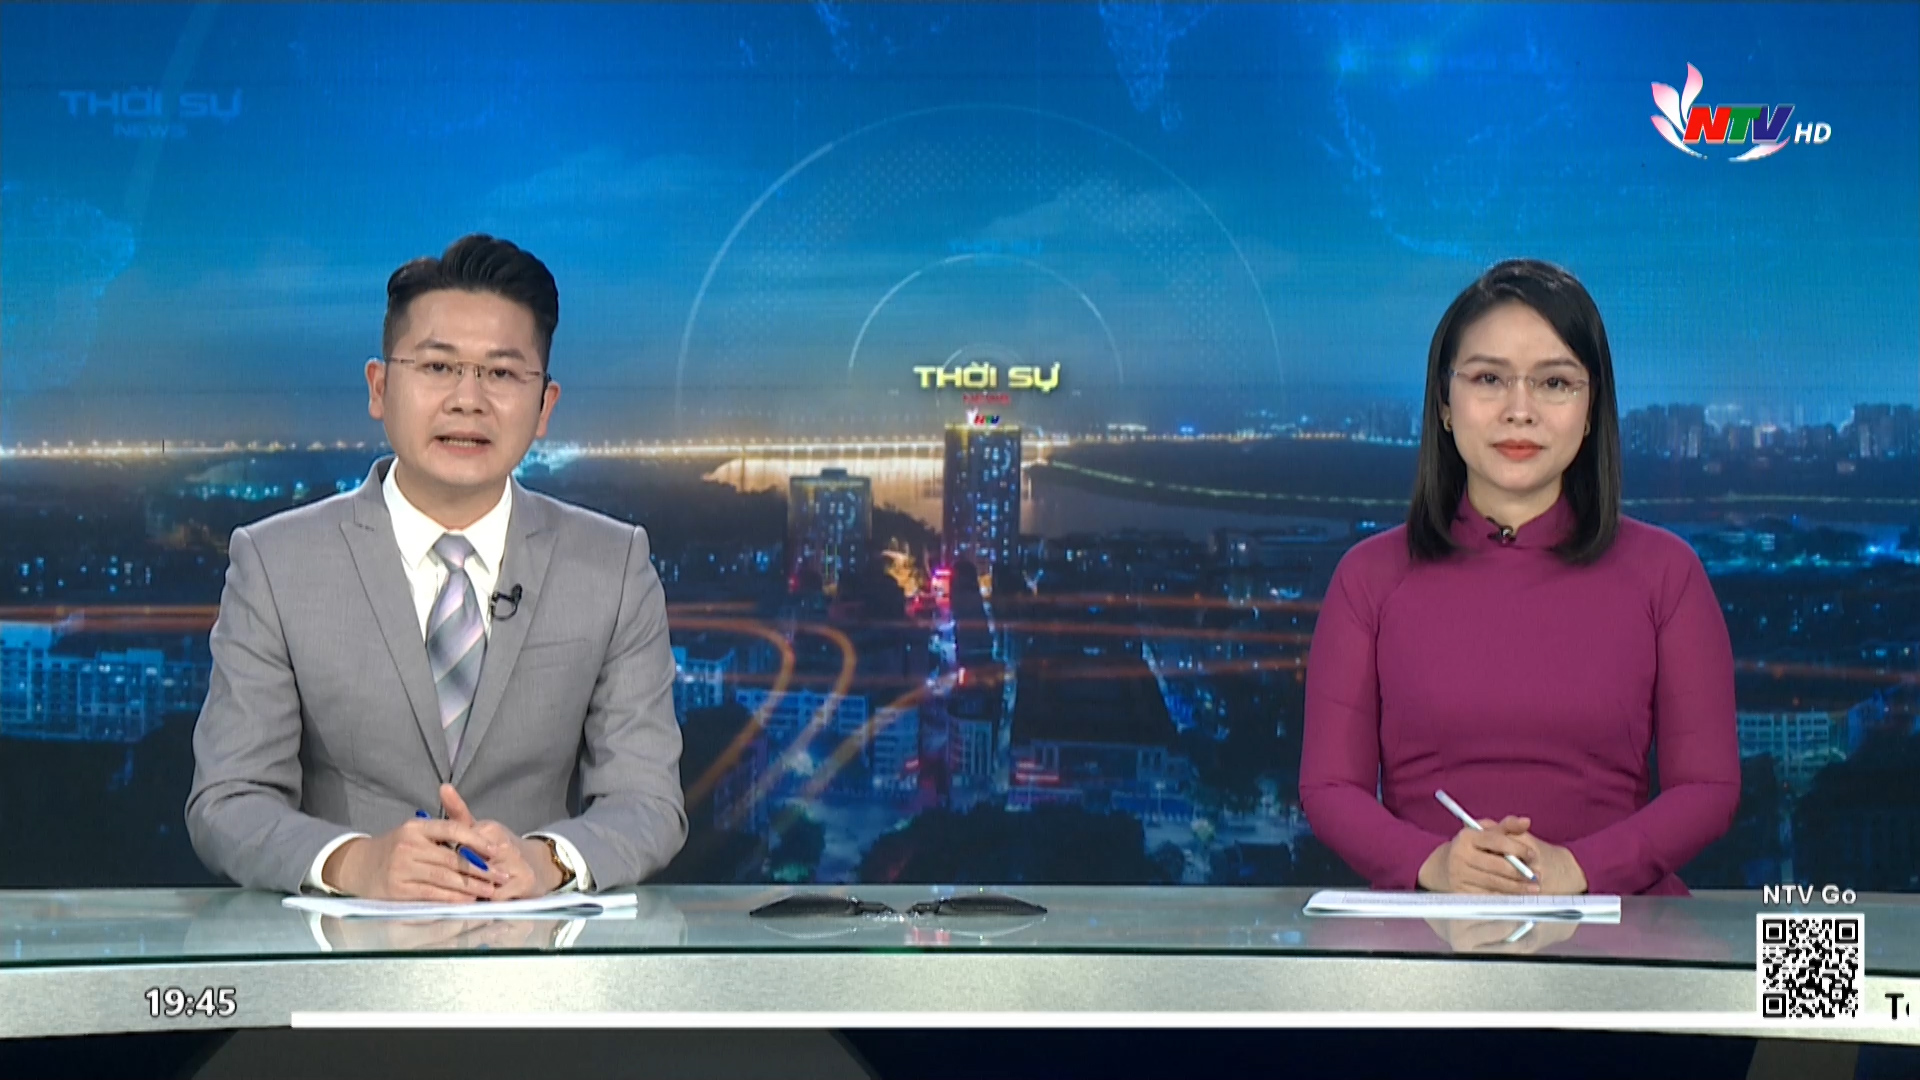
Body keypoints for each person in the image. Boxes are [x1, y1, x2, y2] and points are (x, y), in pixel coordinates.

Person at [187, 234, 687, 900]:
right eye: (438, 366)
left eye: (501, 374)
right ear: (380, 387)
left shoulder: (612, 566)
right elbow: (229, 800)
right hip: (342, 952)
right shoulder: (276, 564)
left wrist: (547, 861)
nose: (467, 399)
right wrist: (357, 864)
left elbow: (647, 801)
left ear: (545, 406)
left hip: (536, 952)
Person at [1299, 258, 1739, 897]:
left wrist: (1578, 870)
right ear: (1444, 403)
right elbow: (1329, 788)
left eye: (1555, 382)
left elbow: (1708, 789)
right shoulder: (1369, 579)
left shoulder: (1666, 574)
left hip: (1619, 929)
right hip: (1426, 933)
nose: (1519, 411)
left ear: (1590, 409)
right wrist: (1435, 865)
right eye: (1488, 379)